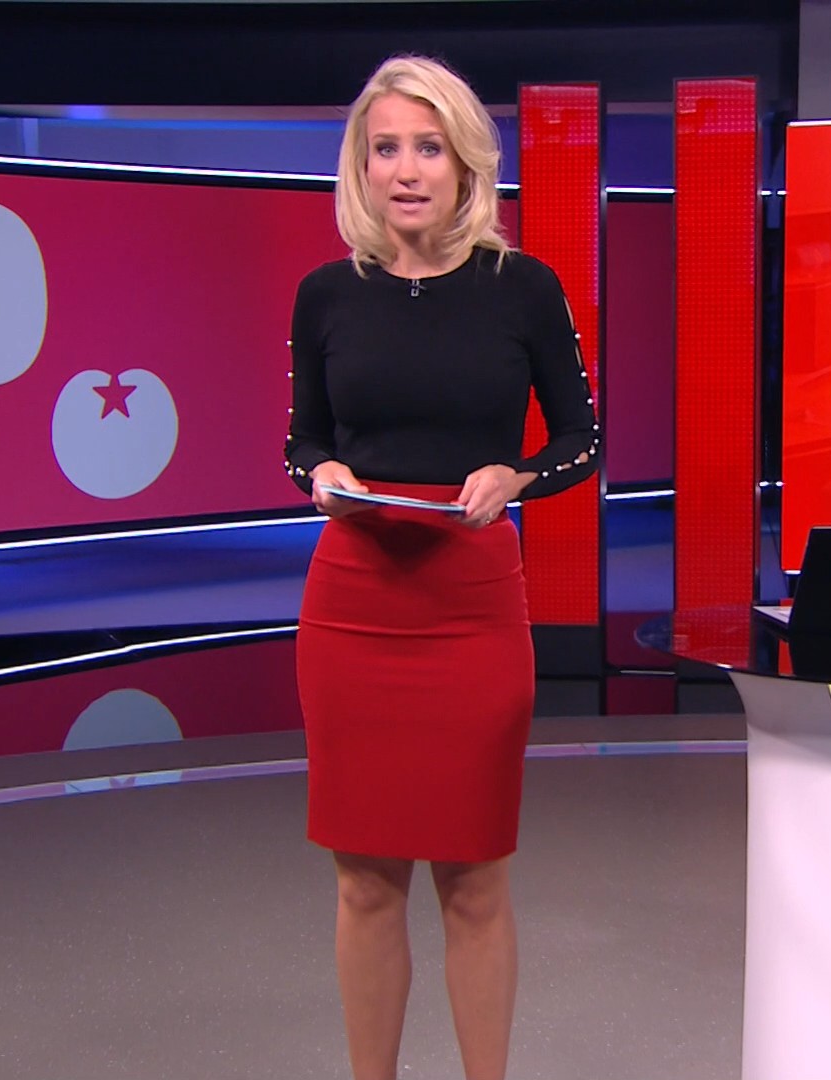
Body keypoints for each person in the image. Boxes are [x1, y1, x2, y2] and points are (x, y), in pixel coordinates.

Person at [282, 54, 598, 1080]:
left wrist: (516, 476)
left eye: (428, 147)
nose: (407, 169)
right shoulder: (326, 295)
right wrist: (321, 473)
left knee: (474, 880)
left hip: (472, 608)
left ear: (466, 165)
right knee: (364, 882)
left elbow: (584, 441)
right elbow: (301, 440)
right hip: (353, 605)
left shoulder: (523, 289)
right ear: (361, 167)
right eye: (386, 149)